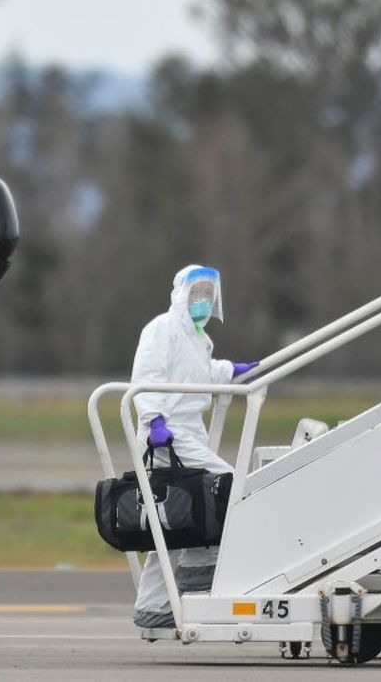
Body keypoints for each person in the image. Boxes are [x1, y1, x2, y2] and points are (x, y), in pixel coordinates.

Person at [130, 265, 259, 629]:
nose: (202, 300)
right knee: (228, 487)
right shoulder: (162, 329)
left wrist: (231, 370)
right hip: (167, 435)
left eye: (208, 293)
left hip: (189, 433)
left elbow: (197, 373)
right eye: (196, 292)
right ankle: (198, 569)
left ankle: (154, 608)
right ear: (180, 293)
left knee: (176, 519)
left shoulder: (198, 339)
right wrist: (153, 419)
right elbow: (147, 377)